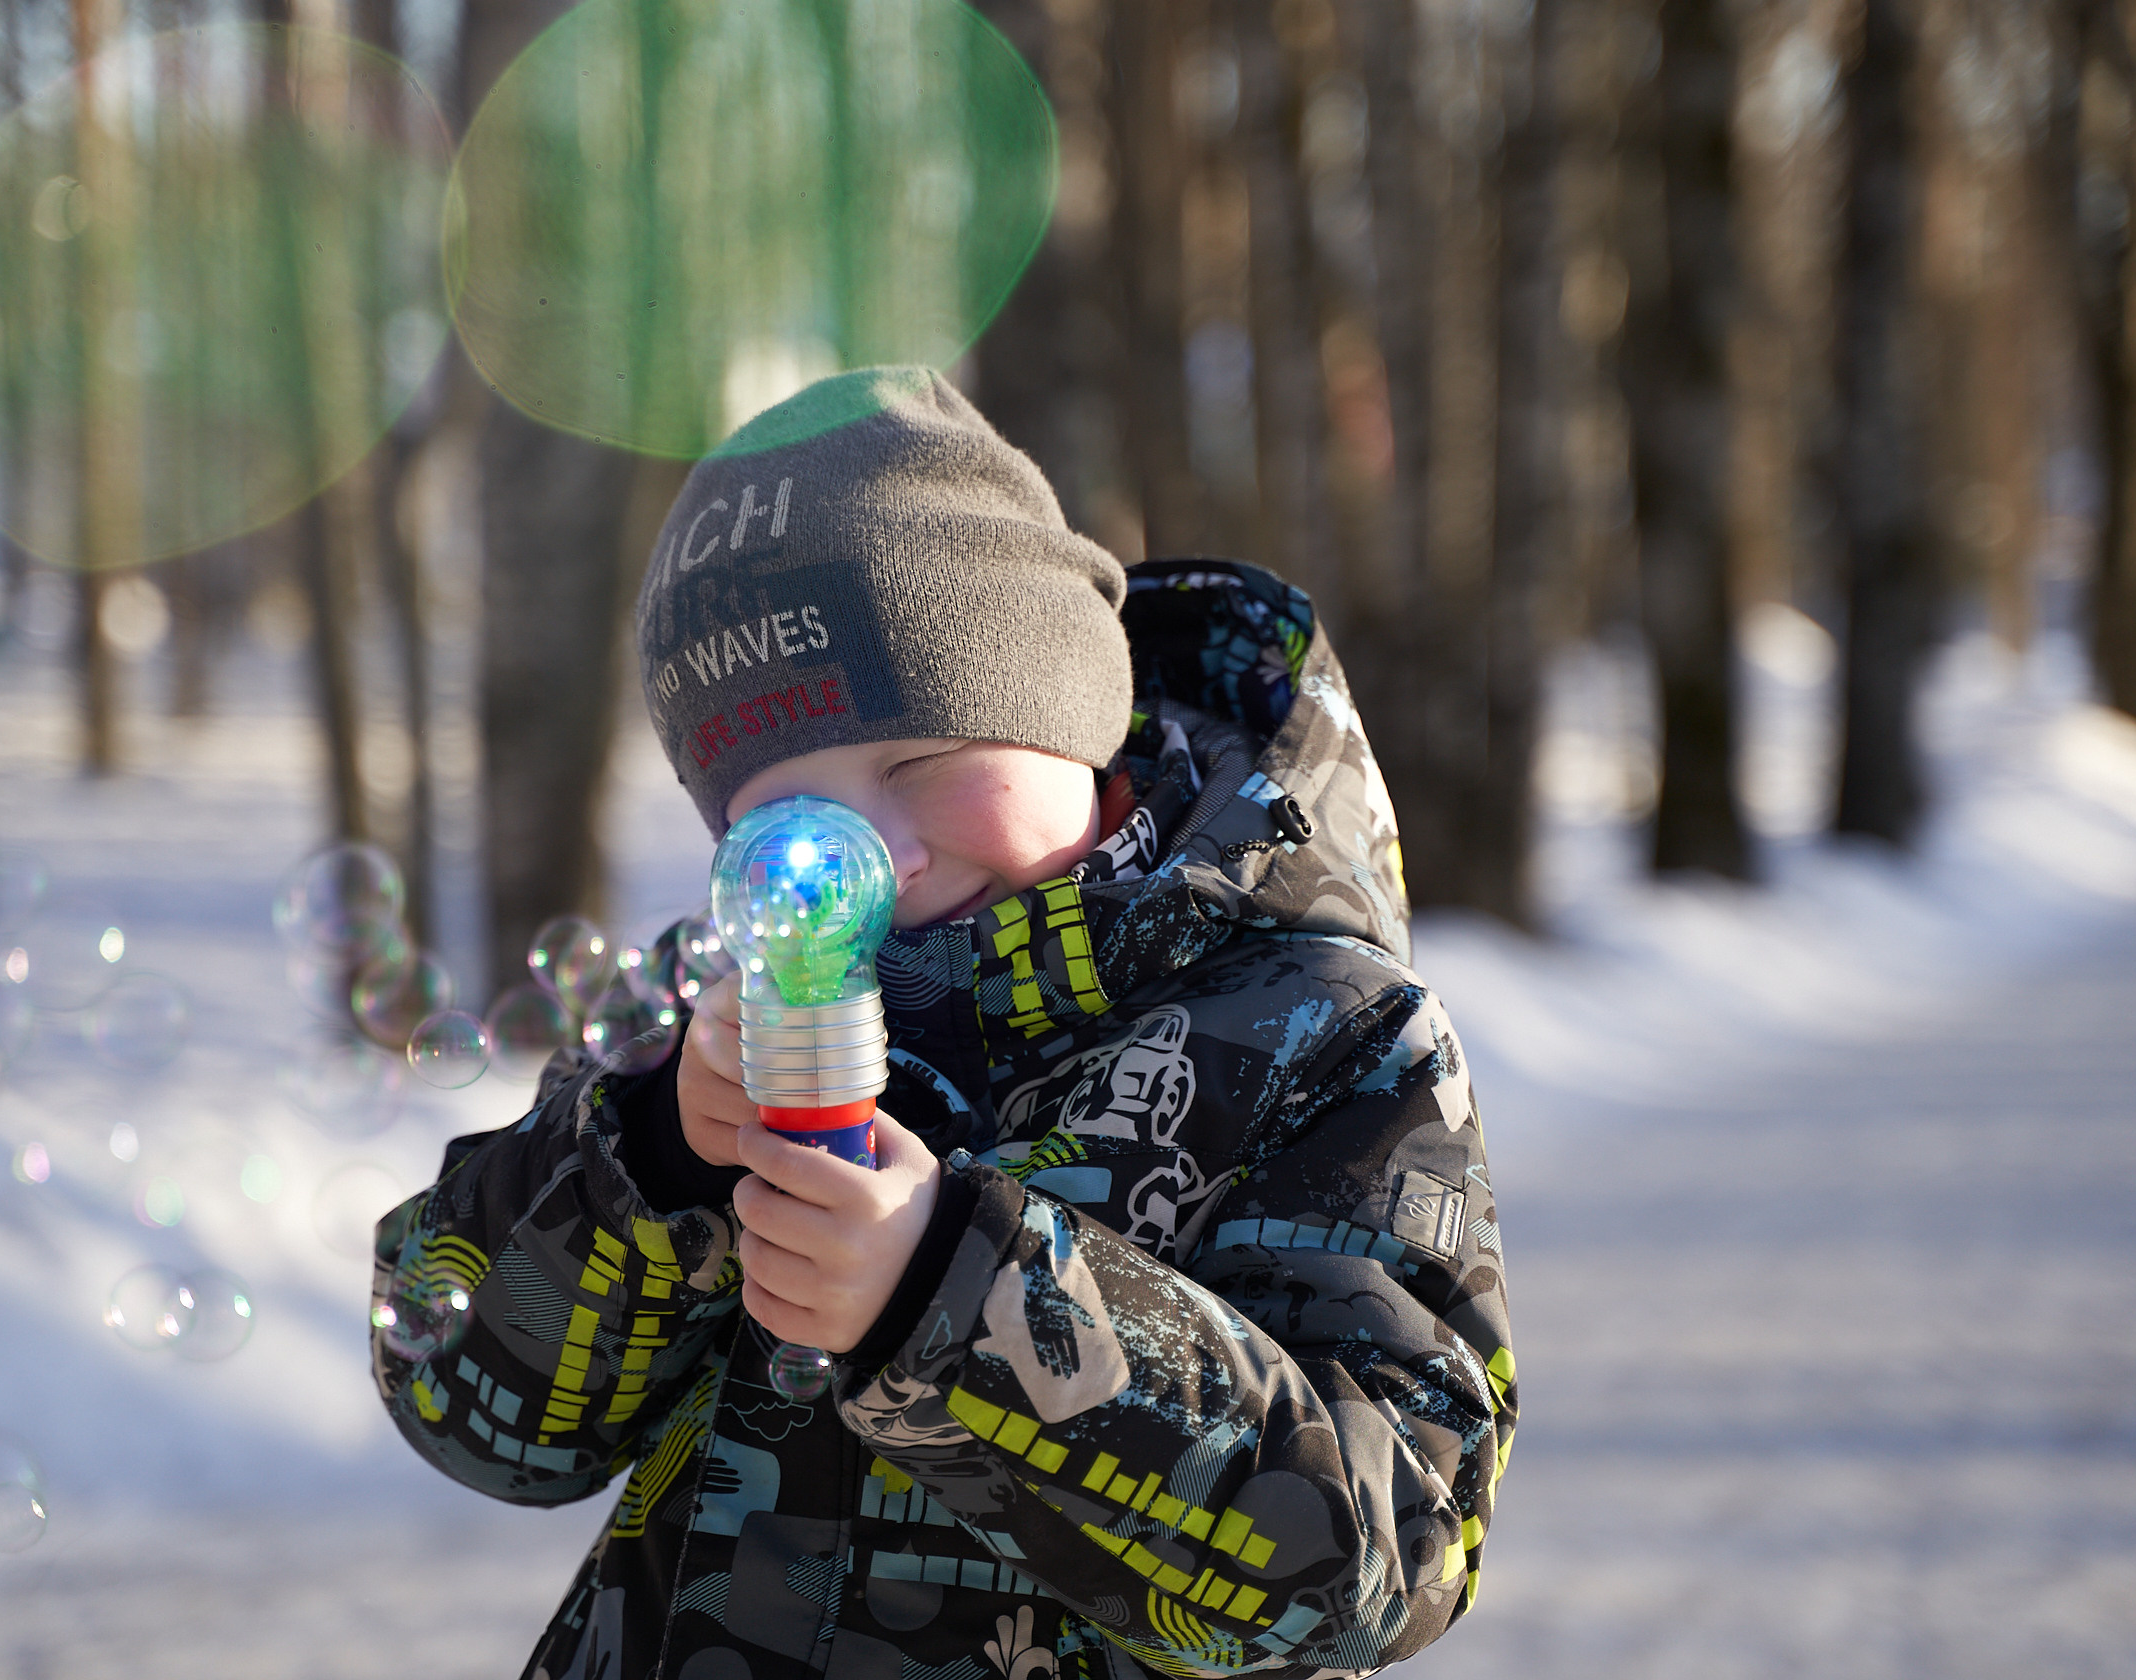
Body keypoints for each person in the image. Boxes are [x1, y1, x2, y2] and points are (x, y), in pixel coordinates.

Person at [370, 367, 1514, 1680]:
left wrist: (951, 1295)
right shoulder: (707, 1021)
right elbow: (468, 1403)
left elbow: (1390, 1544)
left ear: (1071, 710)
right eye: (787, 818)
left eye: (922, 765)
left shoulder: (1323, 1033)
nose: (881, 857)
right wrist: (653, 1157)